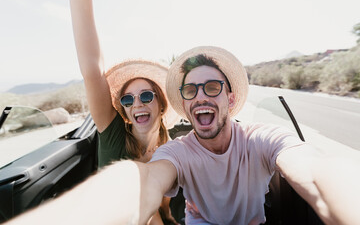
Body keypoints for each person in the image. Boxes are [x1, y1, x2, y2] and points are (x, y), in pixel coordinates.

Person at [5, 47, 360, 225]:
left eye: (211, 87)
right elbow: (140, 182)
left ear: (230, 98)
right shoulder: (177, 152)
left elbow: (315, 170)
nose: (200, 95)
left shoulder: (261, 138)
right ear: (183, 105)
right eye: (190, 90)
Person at [68, 0, 179, 224]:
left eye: (146, 96)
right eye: (128, 99)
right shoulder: (113, 133)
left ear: (161, 104)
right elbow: (92, 71)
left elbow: (163, 206)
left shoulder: (172, 149)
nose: (137, 103)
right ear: (125, 111)